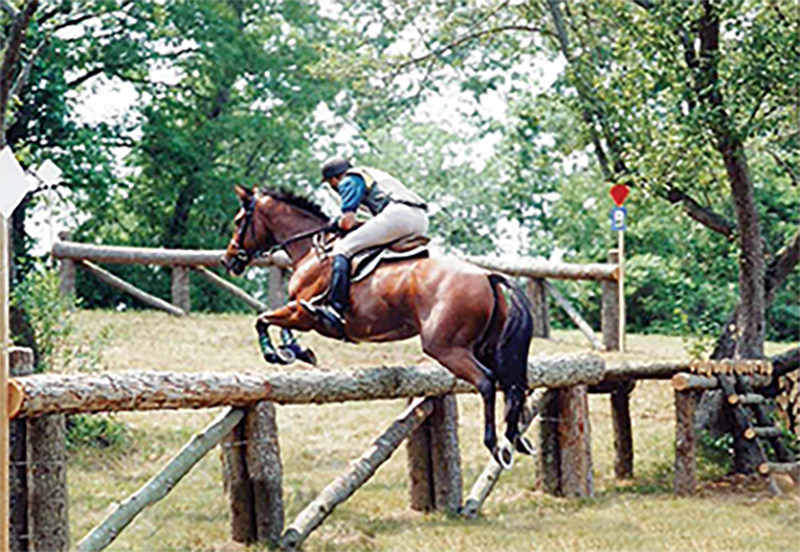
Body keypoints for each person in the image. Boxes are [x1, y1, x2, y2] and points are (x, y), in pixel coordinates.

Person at [305, 156, 429, 335]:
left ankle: (335, 308)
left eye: (330, 183)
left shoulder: (349, 180)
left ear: (334, 179)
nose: (333, 187)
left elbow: (347, 223)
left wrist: (336, 223)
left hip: (398, 215)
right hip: (420, 220)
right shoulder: (370, 175)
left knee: (342, 249)